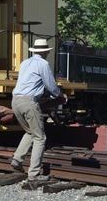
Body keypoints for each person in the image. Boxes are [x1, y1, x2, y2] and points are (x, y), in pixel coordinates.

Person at [10, 38, 67, 181]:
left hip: (15, 101)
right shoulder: (43, 64)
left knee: (30, 131)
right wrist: (60, 95)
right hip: (29, 102)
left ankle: (17, 160)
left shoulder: (24, 63)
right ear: (46, 52)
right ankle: (33, 174)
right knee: (40, 137)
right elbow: (50, 85)